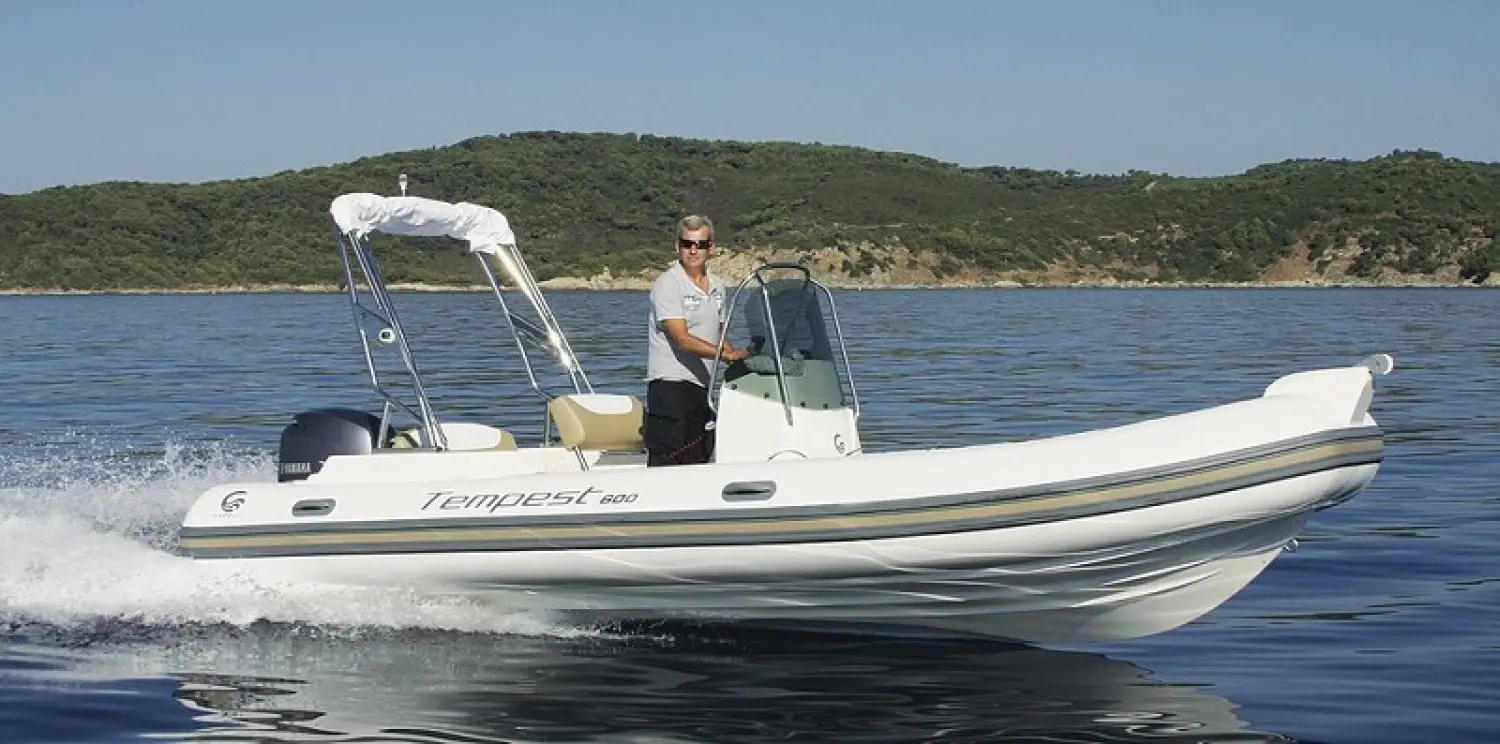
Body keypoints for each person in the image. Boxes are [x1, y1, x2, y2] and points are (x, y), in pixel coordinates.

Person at [644, 215, 751, 466]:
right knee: (670, 463)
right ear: (677, 246)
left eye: (700, 245)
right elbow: (682, 339)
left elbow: (719, 335)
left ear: (710, 248)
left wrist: (740, 358)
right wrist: (724, 354)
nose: (693, 251)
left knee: (700, 457)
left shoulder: (718, 287)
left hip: (703, 388)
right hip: (670, 388)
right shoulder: (668, 284)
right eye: (687, 244)